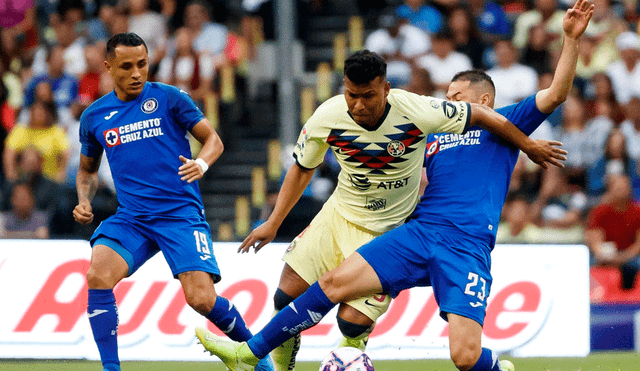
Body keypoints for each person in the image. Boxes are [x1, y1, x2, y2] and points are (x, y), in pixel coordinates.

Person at [195, 1, 593, 370]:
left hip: (466, 244)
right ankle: (248, 353)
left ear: (483, 99)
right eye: (448, 96)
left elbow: (556, 93)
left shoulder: (503, 122)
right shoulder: (434, 133)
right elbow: (411, 172)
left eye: (458, 96)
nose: (450, 101)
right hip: (419, 232)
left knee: (465, 357)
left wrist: (571, 39)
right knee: (331, 283)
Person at [72, 32, 273, 371]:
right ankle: (111, 369)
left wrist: (202, 163)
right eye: (126, 66)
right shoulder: (94, 116)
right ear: (108, 67)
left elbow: (213, 140)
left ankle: (258, 356)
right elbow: (86, 171)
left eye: (143, 64)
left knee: (201, 299)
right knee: (97, 275)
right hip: (132, 217)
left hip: (179, 215)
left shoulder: (169, 98)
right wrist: (83, 199)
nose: (137, 73)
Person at [586, 174, 640, 290]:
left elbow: (638, 243)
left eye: (625, 188)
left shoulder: (637, 211)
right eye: (618, 188)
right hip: (605, 255)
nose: (622, 191)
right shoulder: (600, 211)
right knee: (586, 265)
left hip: (631, 256)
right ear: (610, 190)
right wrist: (604, 255)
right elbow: (595, 240)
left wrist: (623, 257)